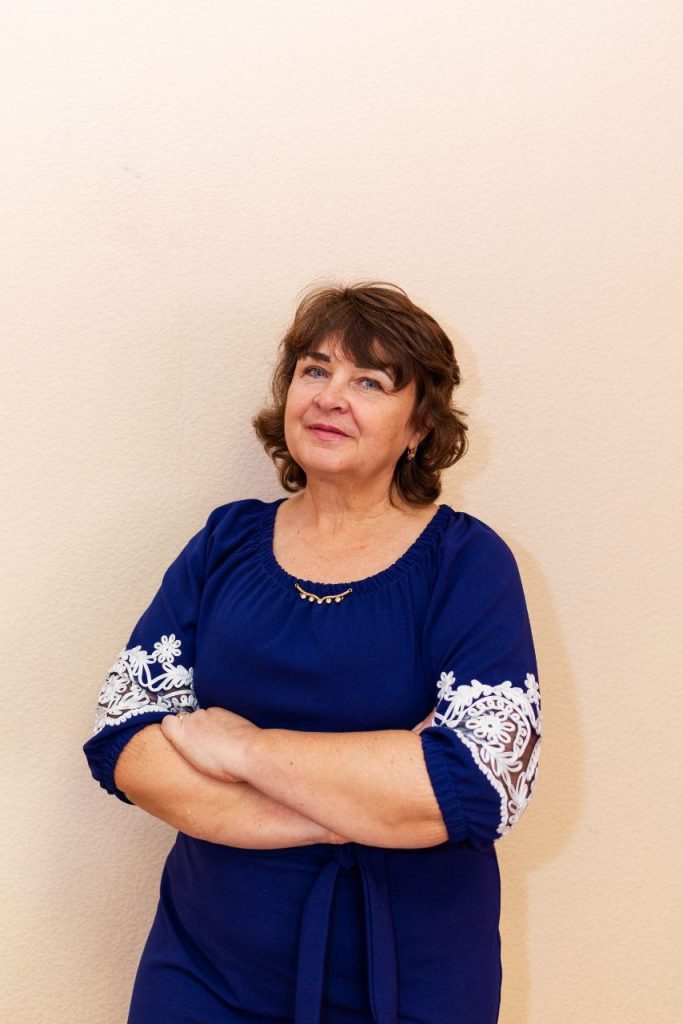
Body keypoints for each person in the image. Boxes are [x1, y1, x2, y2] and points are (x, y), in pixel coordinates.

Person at [83, 281, 541, 1024]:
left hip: (412, 975)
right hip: (205, 964)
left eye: (370, 382)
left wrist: (241, 748)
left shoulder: (466, 562)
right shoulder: (225, 541)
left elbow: (478, 783)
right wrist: (347, 806)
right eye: (315, 370)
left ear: (419, 426)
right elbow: (125, 744)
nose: (330, 397)